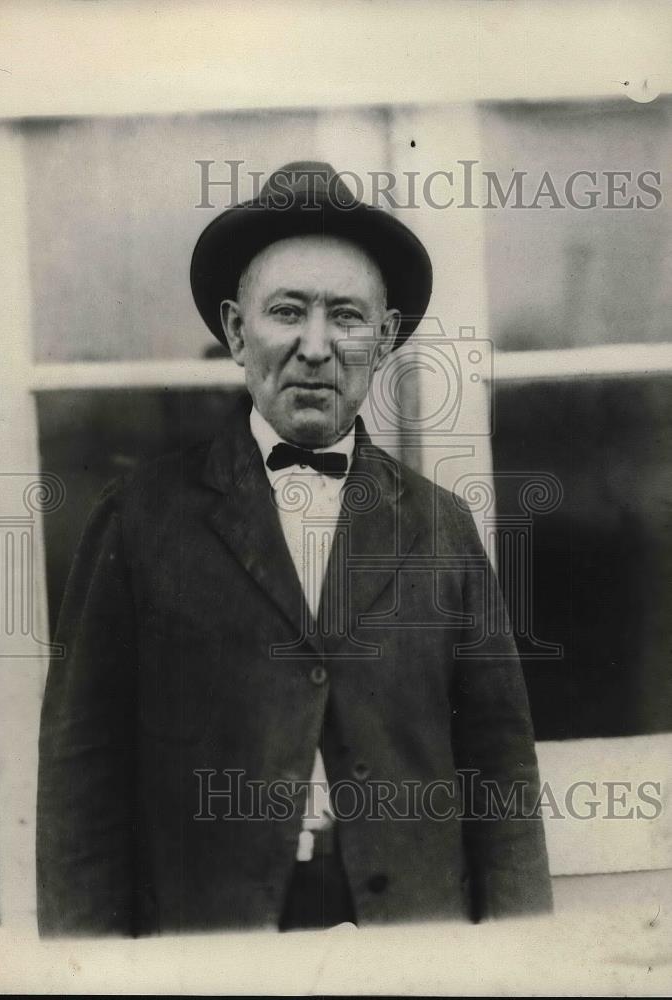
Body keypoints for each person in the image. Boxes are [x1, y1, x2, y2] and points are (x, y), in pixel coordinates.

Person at [36, 162, 553, 936]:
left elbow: (501, 768)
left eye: (346, 317)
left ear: (382, 341)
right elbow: (83, 775)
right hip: (210, 945)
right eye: (287, 311)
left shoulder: (442, 526)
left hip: (412, 939)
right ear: (238, 332)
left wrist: (523, 955)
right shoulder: (141, 519)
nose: (316, 346)